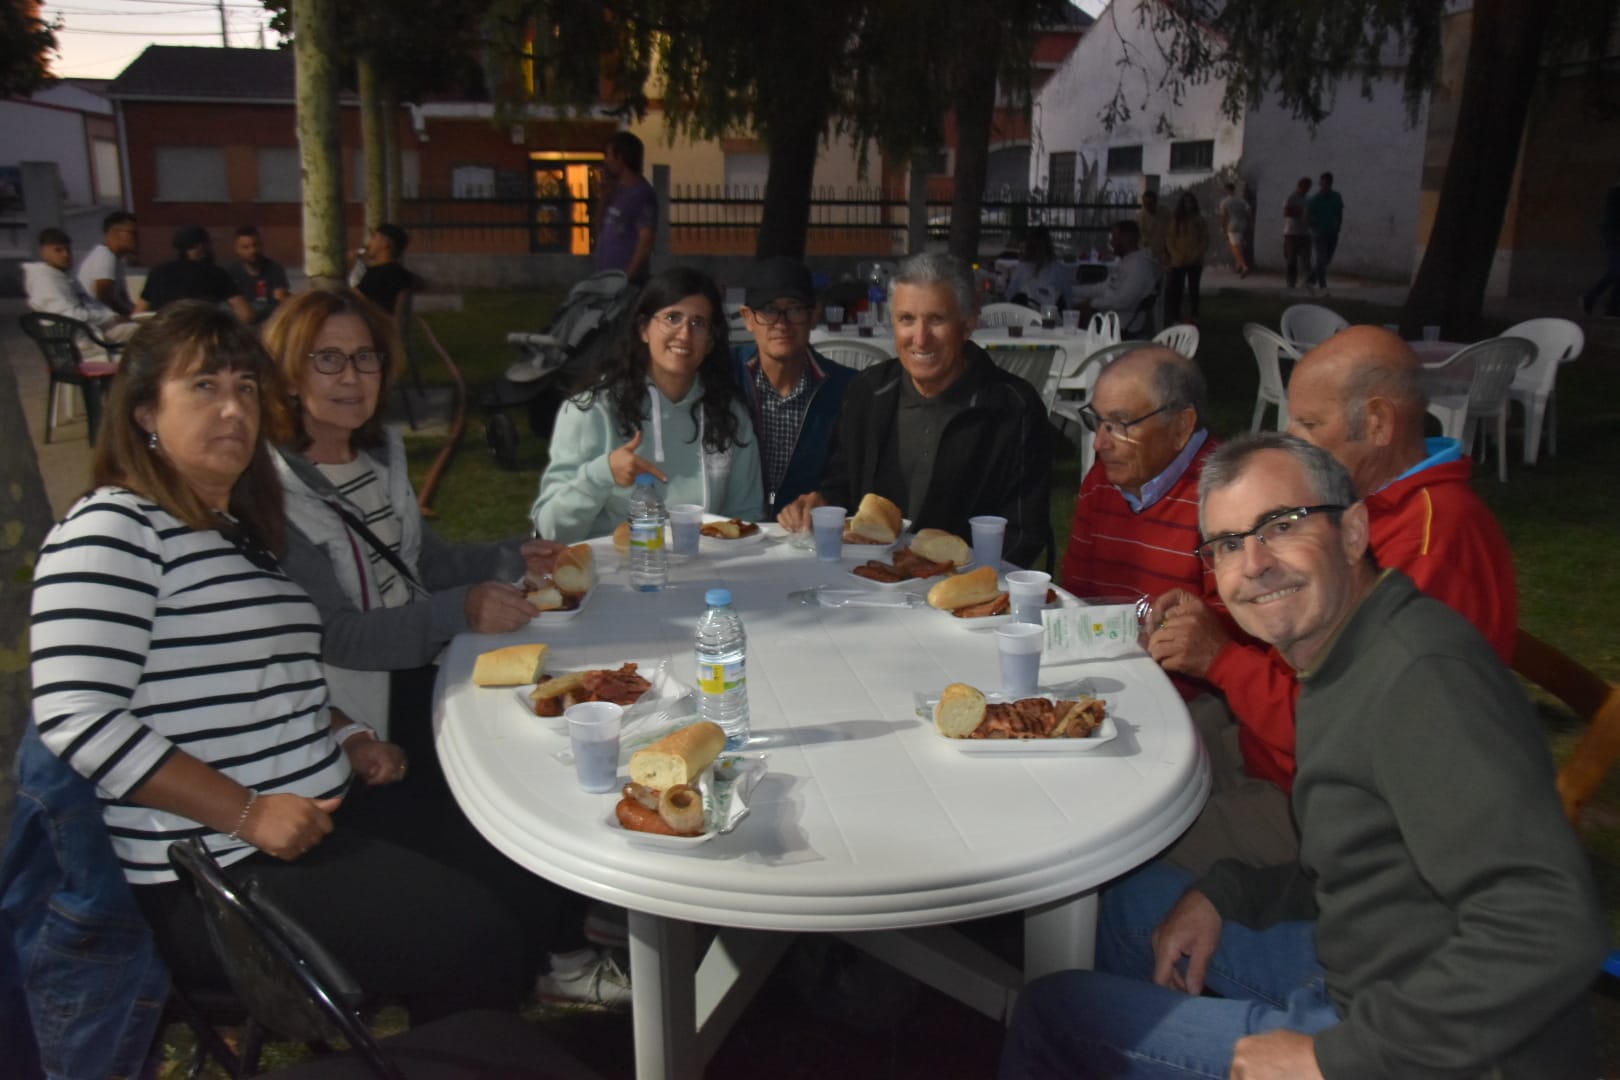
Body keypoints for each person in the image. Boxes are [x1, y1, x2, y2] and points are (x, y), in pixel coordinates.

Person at [1000, 433, 1606, 1080]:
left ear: (1352, 531)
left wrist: (1330, 1058)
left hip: (1434, 1045)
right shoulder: (1341, 652)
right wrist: (1227, 892)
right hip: (1366, 965)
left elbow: (1549, 923)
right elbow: (1354, 867)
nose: (1253, 563)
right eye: (1228, 544)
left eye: (1280, 526)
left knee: (1051, 1013)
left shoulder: (1421, 680)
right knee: (1126, 906)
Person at [25, 301, 535, 1026]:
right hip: (218, 872)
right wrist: (249, 812)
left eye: (244, 388)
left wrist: (348, 735)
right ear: (144, 411)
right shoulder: (113, 526)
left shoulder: (235, 533)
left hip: (321, 811)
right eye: (204, 387)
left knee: (504, 853)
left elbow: (266, 682)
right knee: (477, 936)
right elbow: (78, 720)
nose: (233, 408)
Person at [263, 288, 628, 1006]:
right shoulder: (272, 490)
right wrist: (455, 611)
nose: (350, 377)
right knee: (506, 808)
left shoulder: (382, 451)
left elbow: (418, 562)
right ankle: (547, 957)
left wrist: (508, 555)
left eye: (365, 358)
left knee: (545, 757)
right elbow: (335, 633)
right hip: (354, 715)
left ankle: (563, 936)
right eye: (327, 359)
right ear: (287, 373)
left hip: (423, 673)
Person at [1147, 326, 1518, 872]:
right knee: (1136, 752)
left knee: (1133, 858)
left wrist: (1220, 660)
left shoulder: (1426, 547)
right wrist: (1217, 621)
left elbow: (1339, 731)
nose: (1289, 439)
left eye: (1309, 424)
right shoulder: (1368, 505)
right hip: (1268, 745)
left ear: (1377, 423)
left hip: (1330, 806)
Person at [778, 252, 1052, 567]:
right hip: (865, 579)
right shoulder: (868, 392)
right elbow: (841, 485)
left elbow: (1023, 533)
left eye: (936, 319)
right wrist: (821, 506)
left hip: (959, 590)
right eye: (907, 319)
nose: (920, 339)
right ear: (892, 322)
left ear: (967, 325)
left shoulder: (1012, 407)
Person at [531, 266, 763, 542]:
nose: (684, 335)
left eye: (698, 323)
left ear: (711, 341)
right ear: (644, 329)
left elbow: (747, 518)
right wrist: (602, 474)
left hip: (705, 575)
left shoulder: (728, 413)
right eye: (672, 318)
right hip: (611, 575)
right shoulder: (592, 410)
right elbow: (552, 529)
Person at [1059, 347, 1216, 695]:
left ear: (1181, 426)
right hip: (1107, 680)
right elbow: (1077, 598)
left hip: (1192, 700)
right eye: (1098, 421)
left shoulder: (1228, 498)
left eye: (1120, 424)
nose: (1100, 443)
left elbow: (1231, 640)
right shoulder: (1103, 482)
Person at [731, 256, 858, 520]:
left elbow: (853, 476)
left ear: (813, 316)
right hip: (733, 534)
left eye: (795, 309)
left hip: (806, 536)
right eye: (767, 310)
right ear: (747, 318)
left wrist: (828, 501)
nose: (781, 323)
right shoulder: (725, 377)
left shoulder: (847, 389)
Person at [22, 227, 140, 343]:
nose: (66, 255)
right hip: (81, 341)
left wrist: (113, 316)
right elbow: (70, 315)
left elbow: (90, 303)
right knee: (144, 332)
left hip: (92, 331)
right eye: (58, 250)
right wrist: (110, 318)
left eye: (68, 250)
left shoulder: (64, 277)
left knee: (143, 328)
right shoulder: (45, 281)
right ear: (43, 253)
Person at [139, 226, 252, 324]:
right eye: (209, 244)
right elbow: (245, 314)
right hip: (199, 336)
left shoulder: (157, 272)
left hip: (163, 337)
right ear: (201, 246)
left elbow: (139, 313)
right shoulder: (216, 273)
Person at [1072, 220, 1160, 335]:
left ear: (1127, 238)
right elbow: (1106, 287)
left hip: (1121, 323)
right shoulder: (1127, 261)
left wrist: (1091, 304)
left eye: (1115, 238)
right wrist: (1074, 291)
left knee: (1075, 313)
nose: (1112, 243)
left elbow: (1123, 301)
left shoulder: (1138, 266)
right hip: (1111, 316)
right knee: (1074, 303)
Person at [594, 130, 657, 286]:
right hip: (607, 276)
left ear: (620, 158)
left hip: (627, 282)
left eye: (608, 155)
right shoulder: (616, 192)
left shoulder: (642, 194)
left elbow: (646, 241)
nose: (606, 161)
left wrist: (627, 277)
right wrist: (603, 199)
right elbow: (599, 228)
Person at [77, 209, 138, 316]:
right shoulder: (105, 256)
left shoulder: (115, 259)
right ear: (114, 233)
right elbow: (103, 297)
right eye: (132, 233)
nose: (137, 238)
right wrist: (128, 315)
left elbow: (122, 298)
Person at [228, 224, 291, 323]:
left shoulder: (275, 268)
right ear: (237, 249)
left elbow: (281, 298)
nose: (252, 251)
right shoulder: (230, 272)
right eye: (246, 247)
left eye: (255, 245)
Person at [1163, 192, 1209, 322]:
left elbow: (1205, 239)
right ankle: (1175, 316)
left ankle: (1194, 316)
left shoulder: (1199, 219)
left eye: (1191, 202)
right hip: (1179, 261)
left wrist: (1196, 254)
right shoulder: (1176, 220)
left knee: (1194, 289)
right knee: (1177, 290)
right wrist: (1176, 255)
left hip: (1195, 261)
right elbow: (1170, 239)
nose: (1189, 205)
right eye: (1186, 202)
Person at [353, 223, 417, 317]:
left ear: (384, 244)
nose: (369, 243)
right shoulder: (403, 274)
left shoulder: (377, 274)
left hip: (375, 327)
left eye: (374, 238)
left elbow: (350, 298)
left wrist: (349, 265)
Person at [1004, 226, 1072, 308]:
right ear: (1050, 246)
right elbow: (1068, 302)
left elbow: (1009, 298)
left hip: (1025, 318)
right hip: (1053, 318)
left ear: (1028, 247)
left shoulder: (1021, 270)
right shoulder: (1060, 270)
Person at [1579, 182, 1620, 319]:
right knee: (1616, 271)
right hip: (1615, 237)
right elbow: (1614, 219)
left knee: (1617, 272)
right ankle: (1591, 298)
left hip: (1613, 235)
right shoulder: (1615, 193)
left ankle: (1611, 308)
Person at [1305, 171, 1344, 296]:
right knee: (1321, 258)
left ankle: (1310, 280)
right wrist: (1313, 226)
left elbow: (1339, 213)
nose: (1324, 186)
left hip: (1332, 233)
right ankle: (1323, 286)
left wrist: (1338, 227)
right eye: (1322, 183)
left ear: (1330, 183)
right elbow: (1306, 216)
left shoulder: (1336, 197)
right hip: (1319, 233)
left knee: (1326, 260)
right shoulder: (1315, 199)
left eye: (1326, 183)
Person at [1282, 176, 1312, 289]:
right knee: (1291, 259)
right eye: (1306, 187)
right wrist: (1300, 213)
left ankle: (1306, 280)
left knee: (1306, 259)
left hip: (1305, 233)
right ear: (1300, 186)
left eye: (1308, 188)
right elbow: (1286, 213)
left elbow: (1310, 214)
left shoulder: (1308, 199)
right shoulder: (1291, 198)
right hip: (1291, 233)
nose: (1307, 190)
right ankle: (1291, 281)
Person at [1217, 181, 1250, 277]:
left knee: (1235, 247)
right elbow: (1248, 211)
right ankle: (1238, 264)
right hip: (1242, 224)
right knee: (1236, 245)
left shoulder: (1225, 202)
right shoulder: (1242, 200)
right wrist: (1248, 222)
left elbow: (1224, 216)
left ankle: (1244, 266)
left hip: (1232, 225)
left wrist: (1223, 227)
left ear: (1227, 190)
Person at [1135, 188, 1170, 265]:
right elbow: (1138, 236)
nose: (1147, 206)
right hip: (1146, 254)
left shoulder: (1166, 213)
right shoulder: (1140, 217)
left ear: (1155, 202)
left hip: (1163, 253)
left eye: (1149, 204)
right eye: (1145, 204)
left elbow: (1171, 232)